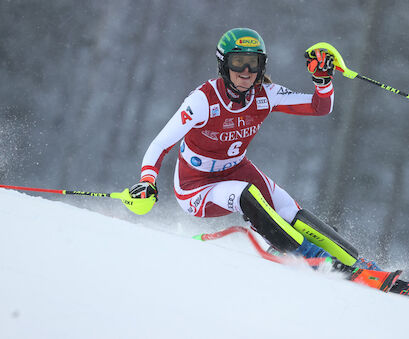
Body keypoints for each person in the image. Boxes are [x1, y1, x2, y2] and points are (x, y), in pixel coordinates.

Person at [129, 27, 379, 272]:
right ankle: (316, 260)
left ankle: (354, 262)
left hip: (237, 169)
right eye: (238, 62)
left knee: (289, 211)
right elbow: (161, 144)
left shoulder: (266, 94)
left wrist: (322, 80)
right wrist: (148, 180)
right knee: (244, 194)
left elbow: (319, 107)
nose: (246, 71)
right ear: (224, 65)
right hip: (196, 187)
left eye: (254, 62)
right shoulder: (203, 100)